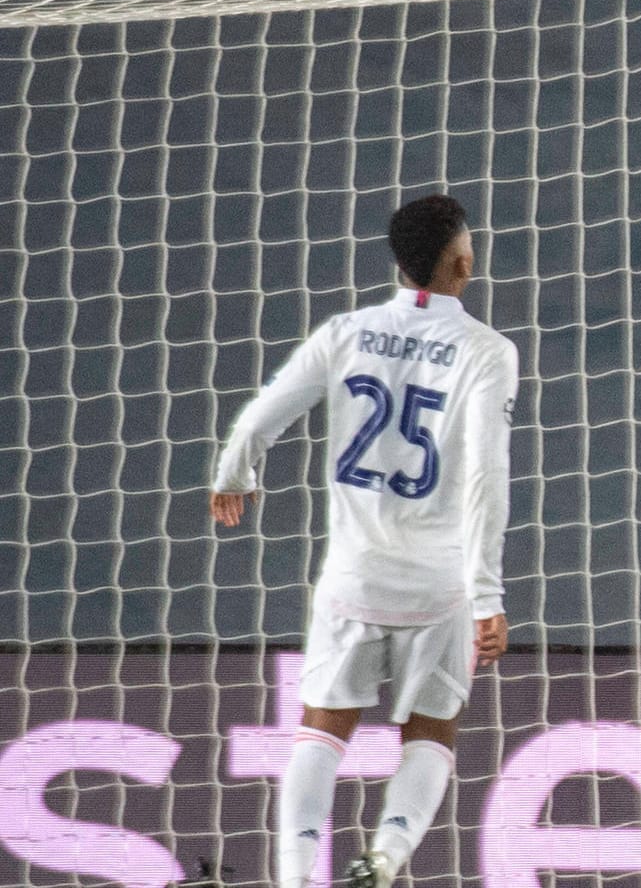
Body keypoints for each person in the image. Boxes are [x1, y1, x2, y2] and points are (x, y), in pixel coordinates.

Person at [209, 195, 519, 888]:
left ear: (398, 264)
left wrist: (235, 472)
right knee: (432, 733)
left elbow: (266, 411)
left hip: (353, 577)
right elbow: (484, 477)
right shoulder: (487, 351)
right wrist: (486, 594)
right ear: (462, 265)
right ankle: (384, 860)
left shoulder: (346, 331)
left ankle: (295, 879)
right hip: (438, 588)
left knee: (322, 729)